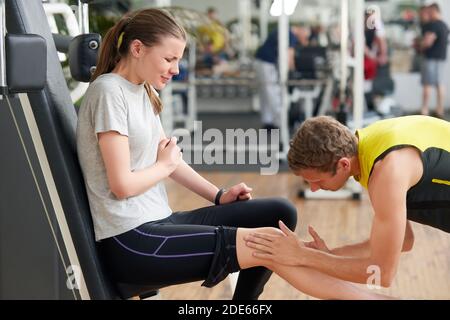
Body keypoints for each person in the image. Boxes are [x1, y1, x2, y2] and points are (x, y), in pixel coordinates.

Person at [76, 8, 393, 300]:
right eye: (169, 59)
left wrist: (219, 196)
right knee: (269, 244)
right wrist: (164, 165)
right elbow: (122, 185)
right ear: (137, 48)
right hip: (133, 242)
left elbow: (171, 163)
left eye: (178, 60)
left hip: (160, 220)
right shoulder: (109, 92)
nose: (176, 69)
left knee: (279, 213)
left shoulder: (143, 91)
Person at [245, 115, 450, 292]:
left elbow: (381, 274)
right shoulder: (370, 145)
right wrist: (327, 256)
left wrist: (304, 256)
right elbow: (404, 241)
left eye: (317, 181)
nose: (314, 189)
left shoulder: (388, 171)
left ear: (343, 164)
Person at [254, 26, 308, 132]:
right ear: (301, 31)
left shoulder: (283, 30)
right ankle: (281, 122)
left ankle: (269, 122)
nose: (303, 40)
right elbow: (289, 56)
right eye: (305, 37)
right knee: (272, 92)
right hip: (266, 63)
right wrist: (294, 71)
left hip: (261, 61)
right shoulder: (290, 35)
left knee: (266, 93)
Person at [419, 3, 449, 118]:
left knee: (427, 85)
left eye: (430, 12)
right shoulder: (445, 25)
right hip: (441, 58)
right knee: (440, 84)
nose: (428, 14)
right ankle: (440, 110)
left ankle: (424, 110)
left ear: (435, 11)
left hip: (430, 58)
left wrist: (420, 45)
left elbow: (427, 42)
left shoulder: (433, 25)